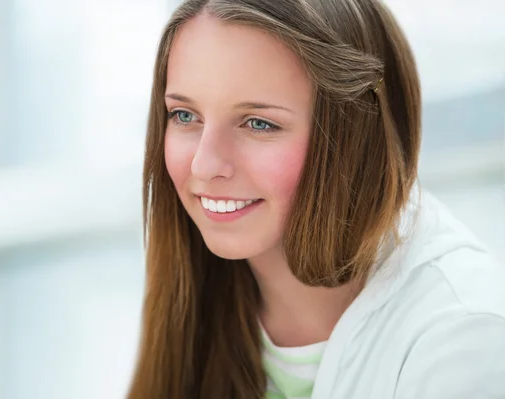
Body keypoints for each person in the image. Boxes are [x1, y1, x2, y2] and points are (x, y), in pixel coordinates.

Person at [127, 0, 505, 398]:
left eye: (258, 123)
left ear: (357, 134)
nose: (204, 166)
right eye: (185, 115)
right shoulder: (200, 297)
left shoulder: (465, 341)